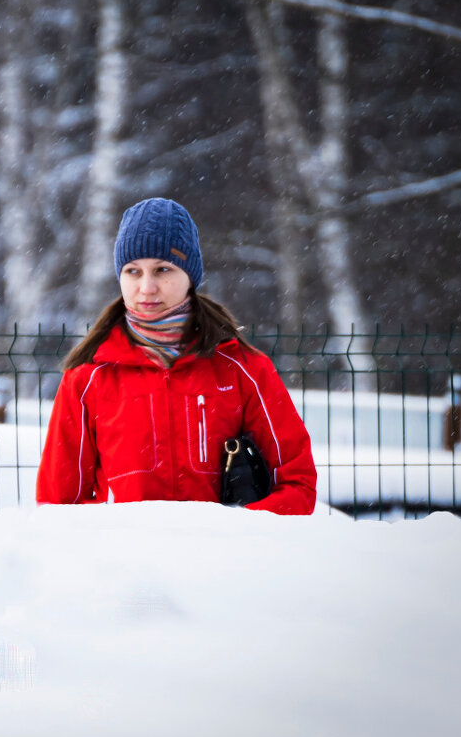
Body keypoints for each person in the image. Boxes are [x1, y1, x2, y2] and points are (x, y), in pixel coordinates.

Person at [36, 197, 317, 515]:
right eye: (133, 271)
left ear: (190, 276)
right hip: (126, 562)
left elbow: (297, 486)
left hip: (226, 560)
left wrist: (235, 536)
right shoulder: (87, 377)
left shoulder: (243, 369)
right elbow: (58, 507)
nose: (146, 287)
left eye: (162, 269)